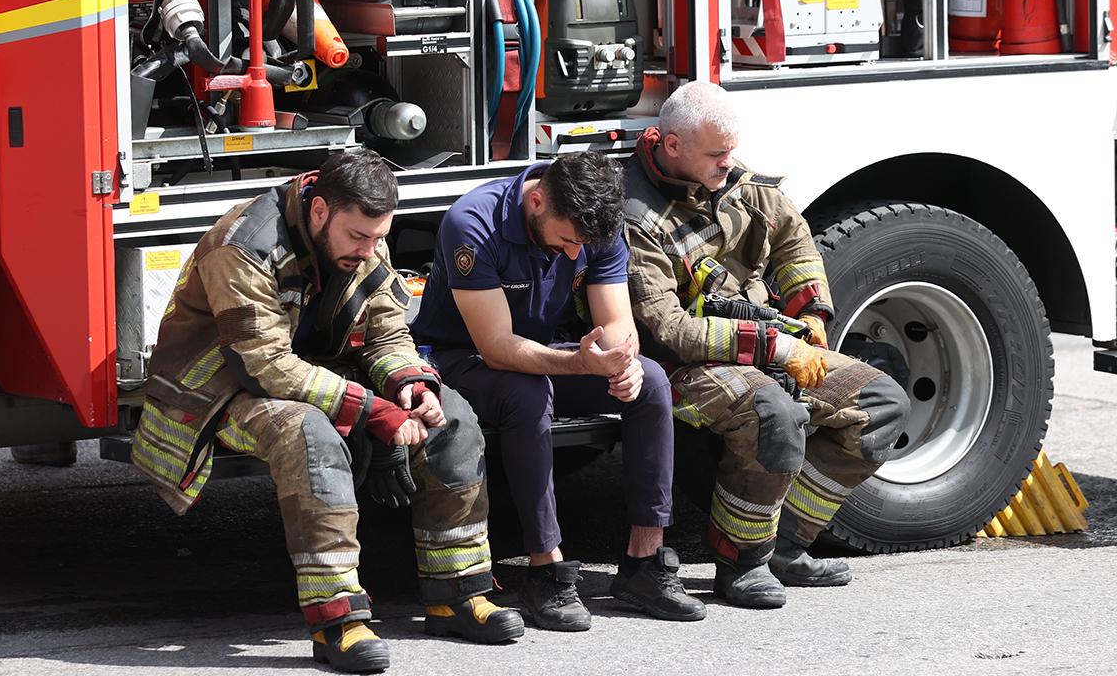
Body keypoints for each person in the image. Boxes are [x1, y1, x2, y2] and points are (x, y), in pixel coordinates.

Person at [132, 149, 523, 673]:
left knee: (450, 416)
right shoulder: (243, 245)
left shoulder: (364, 237)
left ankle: (457, 593)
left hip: (317, 374)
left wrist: (410, 384)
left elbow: (387, 332)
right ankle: (337, 621)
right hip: (219, 390)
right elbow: (264, 365)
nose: (369, 250)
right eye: (358, 238)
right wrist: (373, 412)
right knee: (310, 436)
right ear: (319, 213)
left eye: (379, 237)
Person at [622, 81, 911, 609]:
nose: (729, 164)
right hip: (680, 365)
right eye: (716, 154)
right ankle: (742, 563)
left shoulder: (733, 177)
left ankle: (787, 545)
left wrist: (812, 310)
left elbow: (792, 235)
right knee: (773, 413)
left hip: (766, 339)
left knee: (881, 404)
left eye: (731, 152)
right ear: (670, 145)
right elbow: (668, 330)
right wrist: (777, 350)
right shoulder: (636, 218)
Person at [411, 151, 705, 631]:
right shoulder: (472, 222)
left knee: (650, 382)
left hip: (545, 352)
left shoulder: (594, 225)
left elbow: (615, 321)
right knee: (527, 395)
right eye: (568, 241)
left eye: (582, 246)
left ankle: (644, 563)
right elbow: (498, 347)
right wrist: (580, 363)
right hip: (463, 357)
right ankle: (545, 569)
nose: (574, 254)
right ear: (538, 200)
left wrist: (621, 363)